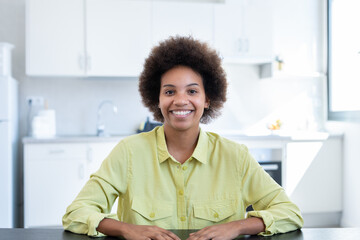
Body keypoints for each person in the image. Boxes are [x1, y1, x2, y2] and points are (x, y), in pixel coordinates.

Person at [62, 36, 303, 240]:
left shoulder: (234, 156)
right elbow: (76, 212)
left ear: (207, 99)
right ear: (156, 99)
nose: (180, 100)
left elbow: (289, 212)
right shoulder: (129, 152)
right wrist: (127, 229)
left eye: (192, 91)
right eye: (169, 91)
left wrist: (237, 226)